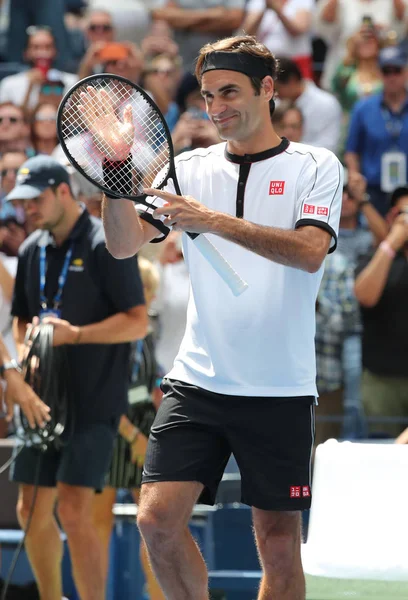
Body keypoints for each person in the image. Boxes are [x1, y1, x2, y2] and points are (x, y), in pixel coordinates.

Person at [83, 34, 343, 599]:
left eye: (230, 91)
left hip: (281, 388)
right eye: (206, 95)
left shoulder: (316, 166)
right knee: (155, 521)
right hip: (197, 380)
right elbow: (124, 244)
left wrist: (211, 220)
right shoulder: (189, 167)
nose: (216, 106)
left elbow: (307, 251)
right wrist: (117, 168)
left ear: (268, 89)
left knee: (278, 545)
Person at [7, 155, 148, 600]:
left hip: (94, 401)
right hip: (42, 398)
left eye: (35, 200)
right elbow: (20, 319)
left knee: (73, 507)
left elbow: (137, 321)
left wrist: (77, 335)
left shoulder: (106, 243)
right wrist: (27, 353)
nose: (26, 210)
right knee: (28, 507)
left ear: (63, 192)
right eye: (21, 203)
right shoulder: (32, 249)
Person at [93, 256, 164, 600]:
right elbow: (101, 392)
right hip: (112, 431)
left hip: (145, 432)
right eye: (141, 287)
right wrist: (131, 435)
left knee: (155, 529)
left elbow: (146, 384)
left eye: (150, 288)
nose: (147, 294)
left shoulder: (150, 329)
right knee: (96, 531)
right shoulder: (111, 330)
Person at [354, 186, 408, 439]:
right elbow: (365, 296)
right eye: (402, 213)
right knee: (384, 452)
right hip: (382, 377)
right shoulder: (376, 256)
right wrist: (392, 243)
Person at [344, 45, 408, 217]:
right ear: (379, 74)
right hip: (373, 191)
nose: (392, 76)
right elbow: (351, 150)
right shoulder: (363, 108)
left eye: (397, 70)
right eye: (387, 71)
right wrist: (354, 174)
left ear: (406, 71)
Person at [150, 1, 246, 73]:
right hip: (182, 66)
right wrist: (212, 14)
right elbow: (162, 15)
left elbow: (234, 20)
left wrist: (183, 22)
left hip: (221, 66)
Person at [275, 57, 342, 153]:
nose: (275, 94)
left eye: (277, 88)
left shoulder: (327, 104)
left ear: (292, 81)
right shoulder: (275, 104)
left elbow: (329, 147)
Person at [0, 26, 77, 111]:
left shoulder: (71, 82)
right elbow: (8, 121)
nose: (42, 53)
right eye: (36, 47)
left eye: (47, 47)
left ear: (56, 51)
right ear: (26, 52)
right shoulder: (9, 84)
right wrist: (30, 87)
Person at [242, 0, 315, 79]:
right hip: (264, 62)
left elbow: (297, 30)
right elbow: (248, 33)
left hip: (295, 63)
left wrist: (277, 9)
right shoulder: (257, 2)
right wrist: (264, 9)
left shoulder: (303, 2)